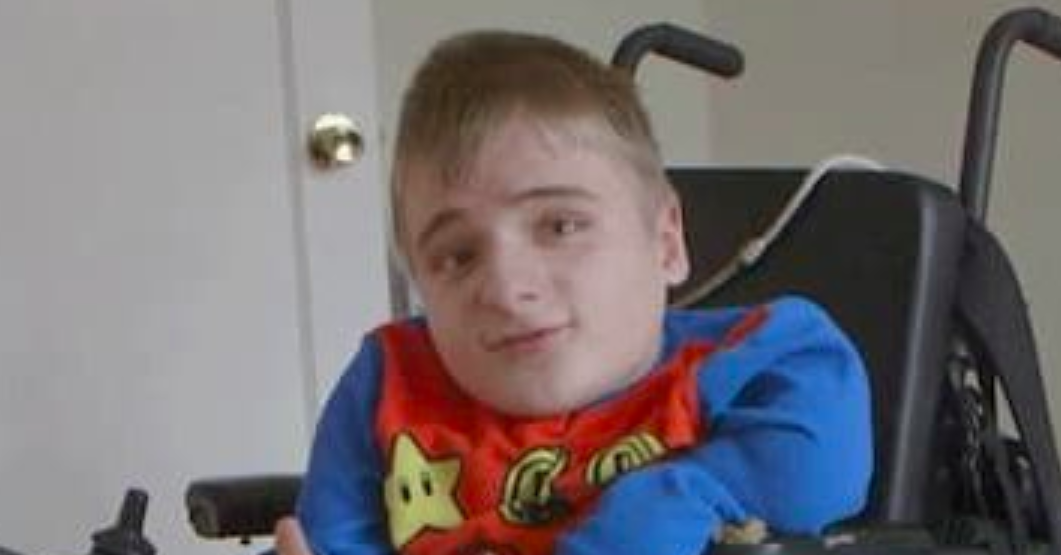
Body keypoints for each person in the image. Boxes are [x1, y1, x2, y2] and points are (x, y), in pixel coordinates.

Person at [277, 29, 873, 555]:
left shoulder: (761, 354)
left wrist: (658, 509)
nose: (507, 288)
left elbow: (808, 474)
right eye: (458, 256)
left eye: (560, 226)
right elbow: (330, 540)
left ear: (666, 243)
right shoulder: (391, 384)